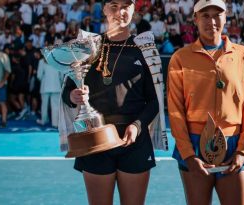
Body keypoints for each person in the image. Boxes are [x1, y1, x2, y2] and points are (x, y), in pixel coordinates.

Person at [60, 0, 167, 204]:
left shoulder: (145, 49)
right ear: (105, 9)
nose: (120, 11)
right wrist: (73, 96)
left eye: (126, 6)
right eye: (114, 5)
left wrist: (137, 126)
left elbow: (155, 101)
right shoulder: (87, 47)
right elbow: (67, 92)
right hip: (95, 140)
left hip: (134, 140)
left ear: (133, 9)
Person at [167, 0, 244, 204]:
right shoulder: (180, 58)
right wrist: (189, 155)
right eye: (205, 15)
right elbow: (175, 110)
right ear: (195, 19)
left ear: (226, 17)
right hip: (194, 144)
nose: (212, 21)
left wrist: (242, 150)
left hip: (234, 144)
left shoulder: (243, 55)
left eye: (217, 14)